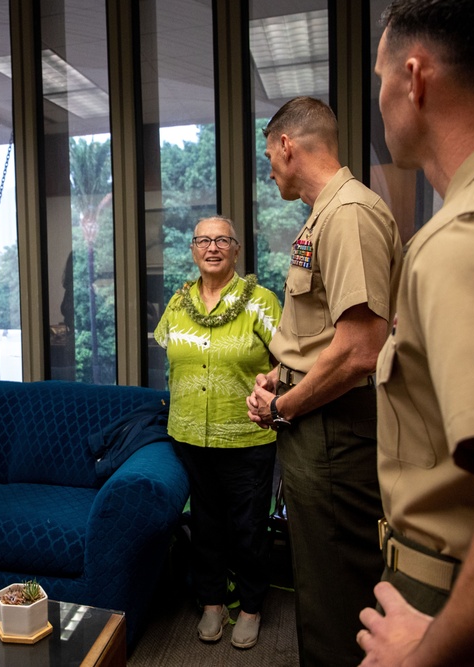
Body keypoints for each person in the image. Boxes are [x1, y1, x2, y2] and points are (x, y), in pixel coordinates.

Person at [357, 2, 474, 665]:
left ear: (415, 78)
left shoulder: (469, 239)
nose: (380, 99)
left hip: (460, 602)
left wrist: (419, 656)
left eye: (380, 79)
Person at [245, 97, 402, 666]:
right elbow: (323, 336)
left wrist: (283, 405)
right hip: (320, 425)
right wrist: (279, 373)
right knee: (318, 580)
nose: (269, 169)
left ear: (288, 145)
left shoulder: (348, 214)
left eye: (269, 155)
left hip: (336, 432)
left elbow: (360, 348)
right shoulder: (325, 215)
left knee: (338, 594)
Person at [155, 216, 283, 650]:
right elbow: (171, 360)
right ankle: (211, 602)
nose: (212, 247)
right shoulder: (177, 304)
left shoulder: (261, 301)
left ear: (236, 249)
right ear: (193, 249)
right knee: (204, 524)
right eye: (204, 240)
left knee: (248, 527)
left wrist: (271, 383)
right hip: (189, 433)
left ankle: (250, 607)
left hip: (247, 434)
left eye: (222, 240)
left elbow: (291, 359)